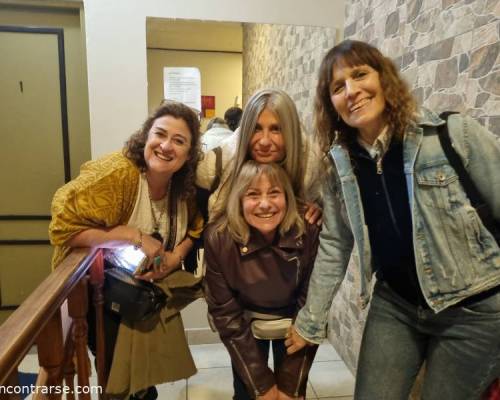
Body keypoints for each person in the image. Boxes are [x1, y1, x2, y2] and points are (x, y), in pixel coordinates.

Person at [285, 39, 500, 400]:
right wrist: (311, 319)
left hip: (475, 311)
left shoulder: (451, 134)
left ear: (383, 78)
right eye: (338, 87)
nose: (352, 91)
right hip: (396, 305)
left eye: (359, 75)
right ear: (331, 104)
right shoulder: (340, 165)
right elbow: (336, 244)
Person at [49, 100, 204, 399]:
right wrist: (133, 235)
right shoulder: (118, 174)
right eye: (160, 134)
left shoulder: (183, 187)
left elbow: (197, 226)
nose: (166, 146)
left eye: (179, 141)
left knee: (143, 378)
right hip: (99, 292)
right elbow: (62, 226)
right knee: (119, 379)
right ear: (146, 137)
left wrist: (176, 256)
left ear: (188, 155)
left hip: (140, 293)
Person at [204, 161, 320, 400]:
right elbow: (226, 314)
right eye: (253, 195)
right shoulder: (219, 238)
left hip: (296, 322)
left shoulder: (308, 230)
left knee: (292, 392)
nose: (265, 204)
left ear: (287, 198)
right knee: (249, 392)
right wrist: (261, 385)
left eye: (274, 193)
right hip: (244, 324)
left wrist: (290, 385)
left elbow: (312, 303)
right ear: (239, 200)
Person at [196, 88, 322, 224]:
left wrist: (318, 211)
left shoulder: (309, 165)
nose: (264, 142)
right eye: (256, 128)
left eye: (276, 129)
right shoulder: (219, 161)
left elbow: (319, 203)